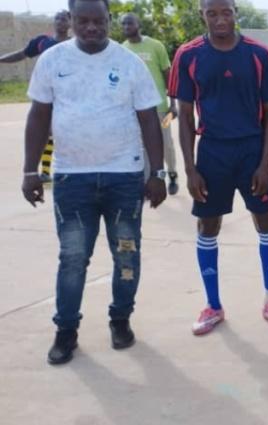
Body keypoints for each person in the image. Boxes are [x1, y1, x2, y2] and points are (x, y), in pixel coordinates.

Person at [22, 0, 167, 365]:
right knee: (73, 258)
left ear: (109, 20)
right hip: (72, 179)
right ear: (71, 21)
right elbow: (39, 115)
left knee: (126, 255)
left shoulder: (129, 63)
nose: (91, 28)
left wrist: (158, 174)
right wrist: (29, 171)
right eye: (83, 21)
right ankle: (66, 331)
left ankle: (120, 320)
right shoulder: (52, 61)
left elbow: (150, 120)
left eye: (99, 21)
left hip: (124, 176)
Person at [168, 0, 268, 336]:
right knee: (208, 226)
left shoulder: (258, 54)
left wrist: (266, 163)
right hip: (212, 152)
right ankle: (213, 305)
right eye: (212, 13)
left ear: (236, 12)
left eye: (226, 12)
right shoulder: (188, 54)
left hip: (252, 148)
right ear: (202, 15)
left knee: (265, 220)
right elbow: (185, 113)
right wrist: (190, 168)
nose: (220, 19)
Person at [2, 10, 72, 182]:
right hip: (47, 94)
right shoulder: (43, 42)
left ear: (70, 23)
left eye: (64, 19)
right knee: (47, 133)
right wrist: (1, 59)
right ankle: (46, 172)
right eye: (57, 18)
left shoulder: (76, 45)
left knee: (66, 133)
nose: (60, 21)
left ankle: (70, 170)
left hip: (69, 95)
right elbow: (21, 54)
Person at [121, 13, 181, 196]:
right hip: (138, 110)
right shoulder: (123, 49)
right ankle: (152, 180)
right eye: (123, 24)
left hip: (162, 109)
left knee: (166, 144)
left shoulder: (156, 45)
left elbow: (168, 75)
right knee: (145, 146)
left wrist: (173, 103)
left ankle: (172, 176)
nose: (125, 27)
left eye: (129, 23)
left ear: (138, 24)